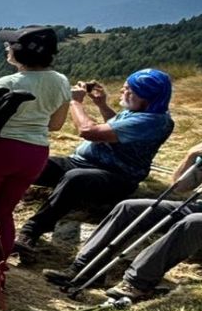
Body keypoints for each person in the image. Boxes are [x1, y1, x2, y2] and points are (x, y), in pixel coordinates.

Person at [47, 96, 202, 302]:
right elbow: (180, 187)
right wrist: (192, 155)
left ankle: (137, 283)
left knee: (197, 222)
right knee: (129, 207)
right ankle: (82, 269)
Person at [15, 69, 175, 256]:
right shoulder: (142, 111)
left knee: (76, 179)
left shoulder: (153, 121)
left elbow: (88, 131)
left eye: (128, 90)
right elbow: (118, 129)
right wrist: (102, 104)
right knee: (32, 163)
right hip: (82, 162)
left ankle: (31, 232)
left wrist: (75, 101)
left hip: (116, 176)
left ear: (146, 96)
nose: (123, 92)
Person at [0, 27, 69, 264]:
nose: (6, 48)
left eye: (9, 45)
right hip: (36, 153)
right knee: (4, 211)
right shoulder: (61, 81)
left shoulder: (8, 82)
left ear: (19, 52)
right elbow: (56, 124)